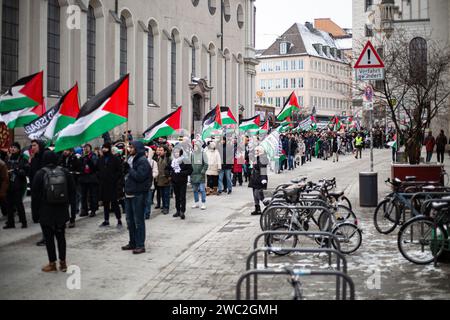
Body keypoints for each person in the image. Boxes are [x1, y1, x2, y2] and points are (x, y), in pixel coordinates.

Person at [31, 151, 75, 273]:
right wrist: (71, 212)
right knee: (61, 236)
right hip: (62, 210)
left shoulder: (40, 174)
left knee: (49, 238)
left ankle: (52, 263)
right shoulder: (65, 172)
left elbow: (35, 196)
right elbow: (72, 191)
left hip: (46, 210)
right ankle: (63, 263)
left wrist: (35, 214)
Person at [122, 141, 151, 255]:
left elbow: (139, 177)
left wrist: (129, 168)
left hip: (138, 194)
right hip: (129, 193)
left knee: (138, 220)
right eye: (129, 147)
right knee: (130, 220)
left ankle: (140, 245)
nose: (129, 149)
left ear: (137, 148)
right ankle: (132, 242)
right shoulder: (130, 158)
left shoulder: (142, 161)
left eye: (132, 147)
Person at [98, 142, 123, 227]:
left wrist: (114, 178)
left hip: (113, 185)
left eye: (106, 148)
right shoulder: (101, 159)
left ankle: (119, 220)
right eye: (103, 148)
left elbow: (119, 171)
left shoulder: (115, 159)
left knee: (114, 203)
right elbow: (97, 169)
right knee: (105, 203)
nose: (104, 149)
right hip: (104, 185)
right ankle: (106, 220)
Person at [4, 142, 28, 229]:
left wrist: (17, 170)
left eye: (14, 147)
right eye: (11, 147)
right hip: (9, 185)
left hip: (18, 186)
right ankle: (10, 223)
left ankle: (24, 222)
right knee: (9, 205)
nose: (12, 149)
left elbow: (25, 171)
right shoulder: (8, 158)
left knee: (19, 204)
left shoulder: (22, 158)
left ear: (18, 149)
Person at [29, 140, 48, 246]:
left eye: (34, 145)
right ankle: (45, 236)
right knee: (40, 216)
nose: (33, 147)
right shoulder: (34, 158)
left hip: (44, 191)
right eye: (32, 145)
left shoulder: (44, 157)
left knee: (45, 216)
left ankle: (46, 237)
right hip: (35, 190)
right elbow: (32, 174)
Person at [58, 148, 82, 228]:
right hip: (63, 184)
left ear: (71, 151)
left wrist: (72, 173)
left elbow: (79, 171)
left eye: (67, 150)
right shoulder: (61, 158)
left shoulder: (75, 159)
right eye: (64, 150)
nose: (65, 152)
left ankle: (72, 219)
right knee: (64, 203)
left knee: (72, 202)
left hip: (73, 183)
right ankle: (64, 219)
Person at [168, 148, 193, 220]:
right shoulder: (172, 161)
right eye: (175, 152)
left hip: (182, 181)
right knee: (177, 196)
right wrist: (169, 174)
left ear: (181, 153)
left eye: (178, 152)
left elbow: (190, 170)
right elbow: (168, 168)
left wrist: (181, 173)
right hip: (174, 181)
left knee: (182, 197)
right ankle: (177, 210)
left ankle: (182, 211)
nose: (176, 153)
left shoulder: (185, 160)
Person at [79, 144, 99, 217]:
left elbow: (95, 166)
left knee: (92, 195)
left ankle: (93, 210)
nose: (85, 149)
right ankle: (84, 210)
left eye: (87, 148)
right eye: (84, 148)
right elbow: (80, 167)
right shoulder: (82, 156)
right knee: (83, 195)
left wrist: (88, 159)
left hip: (91, 178)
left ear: (90, 149)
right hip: (83, 178)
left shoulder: (93, 156)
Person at [249, 146, 269, 216]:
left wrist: (263, 178)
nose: (256, 152)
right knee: (254, 195)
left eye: (257, 151)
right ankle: (257, 209)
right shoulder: (257, 158)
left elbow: (263, 169)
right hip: (255, 178)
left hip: (259, 179)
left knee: (258, 194)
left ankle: (268, 205)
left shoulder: (263, 158)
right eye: (255, 151)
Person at [191, 140, 208, 210]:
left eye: (196, 146)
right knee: (195, 190)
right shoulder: (192, 154)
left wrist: (203, 171)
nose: (195, 147)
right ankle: (196, 203)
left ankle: (203, 203)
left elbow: (206, 164)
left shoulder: (203, 154)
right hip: (194, 175)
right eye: (194, 146)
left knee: (202, 189)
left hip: (201, 175)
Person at [155, 146, 171, 215]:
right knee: (162, 195)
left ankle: (166, 208)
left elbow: (171, 169)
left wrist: (169, 177)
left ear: (165, 151)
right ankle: (164, 206)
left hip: (166, 179)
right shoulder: (159, 158)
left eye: (161, 150)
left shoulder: (168, 159)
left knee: (166, 195)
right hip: (160, 180)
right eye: (159, 150)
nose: (159, 151)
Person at [144, 147, 158, 220]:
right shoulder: (139, 161)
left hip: (149, 184)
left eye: (146, 152)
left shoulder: (153, 162)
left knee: (148, 200)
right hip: (140, 184)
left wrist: (150, 176)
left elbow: (156, 172)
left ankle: (147, 213)